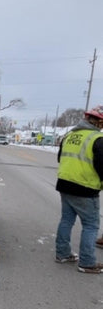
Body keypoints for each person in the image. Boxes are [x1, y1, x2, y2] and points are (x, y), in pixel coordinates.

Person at [55, 106, 103, 273]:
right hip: (85, 188)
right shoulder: (98, 138)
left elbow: (60, 158)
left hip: (65, 184)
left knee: (66, 220)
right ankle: (87, 262)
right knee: (91, 225)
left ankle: (62, 254)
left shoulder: (70, 135)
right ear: (98, 122)